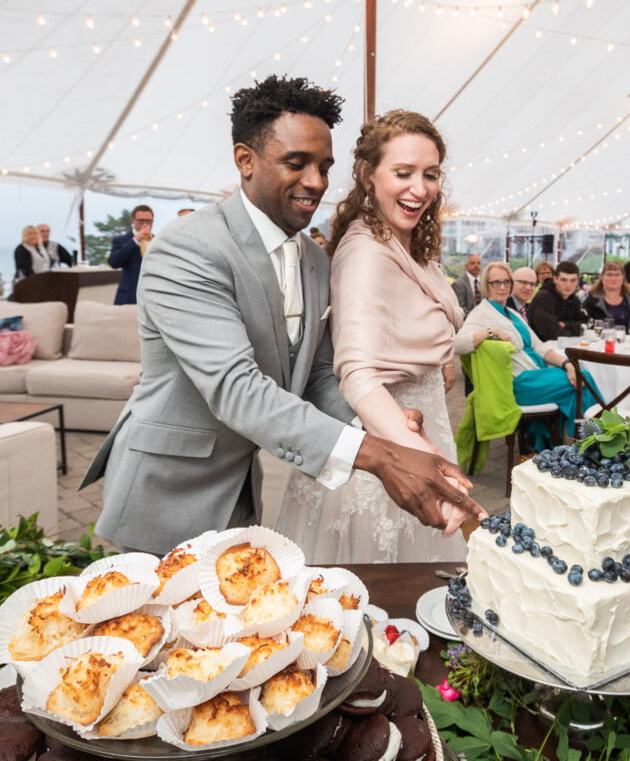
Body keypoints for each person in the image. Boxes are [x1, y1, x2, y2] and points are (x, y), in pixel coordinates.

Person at [81, 75, 483, 554]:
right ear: (245, 160)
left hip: (239, 486)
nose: (315, 181)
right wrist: (379, 455)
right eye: (296, 163)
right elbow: (236, 388)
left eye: (324, 166)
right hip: (167, 490)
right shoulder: (187, 248)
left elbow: (314, 372)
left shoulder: (314, 261)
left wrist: (370, 424)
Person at [276, 110, 467, 563]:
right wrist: (424, 464)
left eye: (430, 175)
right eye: (403, 173)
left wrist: (442, 357)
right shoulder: (366, 251)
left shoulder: (404, 242)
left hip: (420, 421)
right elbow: (357, 375)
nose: (419, 189)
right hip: (389, 440)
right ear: (368, 175)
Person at [455, 261, 601, 442]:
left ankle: (578, 443)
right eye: (496, 283)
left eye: (506, 282)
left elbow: (540, 347)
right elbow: (457, 344)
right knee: (582, 381)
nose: (502, 287)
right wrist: (491, 332)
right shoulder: (482, 312)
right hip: (517, 384)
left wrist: (567, 364)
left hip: (534, 376)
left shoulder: (511, 313)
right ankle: (597, 443)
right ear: (487, 285)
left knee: (577, 381)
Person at [527, 260, 589, 339]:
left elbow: (587, 325)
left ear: (577, 281)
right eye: (563, 280)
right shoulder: (543, 298)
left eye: (573, 280)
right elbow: (552, 333)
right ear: (555, 279)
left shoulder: (574, 299)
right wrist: (575, 329)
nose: (568, 285)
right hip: (542, 348)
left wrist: (566, 325)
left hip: (568, 346)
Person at [108, 205, 153, 305]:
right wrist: (135, 240)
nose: (145, 224)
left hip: (152, 296)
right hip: (129, 296)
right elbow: (114, 262)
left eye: (149, 221)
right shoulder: (121, 240)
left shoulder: (157, 240)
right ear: (133, 221)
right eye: (141, 220)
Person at [584, 261, 630, 328]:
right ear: (602, 277)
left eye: (617, 275)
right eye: (609, 275)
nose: (613, 278)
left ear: (623, 278)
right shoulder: (591, 301)